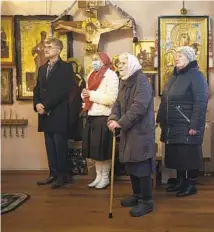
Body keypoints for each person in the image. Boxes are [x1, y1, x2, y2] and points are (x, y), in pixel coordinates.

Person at [156, 46, 209, 197]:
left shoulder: (196, 76)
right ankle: (180, 182)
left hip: (187, 124)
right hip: (173, 124)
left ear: (189, 58)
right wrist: (160, 117)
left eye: (180, 56)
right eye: (176, 56)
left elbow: (201, 103)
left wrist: (194, 125)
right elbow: (165, 99)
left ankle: (190, 184)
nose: (177, 58)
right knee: (177, 155)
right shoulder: (174, 76)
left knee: (189, 156)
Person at [107, 53, 155, 217]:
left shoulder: (142, 81)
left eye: (123, 63)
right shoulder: (124, 81)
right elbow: (118, 103)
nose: (119, 66)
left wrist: (121, 123)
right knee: (131, 163)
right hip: (128, 130)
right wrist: (113, 118)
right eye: (118, 63)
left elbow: (139, 107)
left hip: (140, 131)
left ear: (132, 64)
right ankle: (137, 194)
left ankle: (146, 201)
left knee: (141, 165)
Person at [33, 37, 75, 189]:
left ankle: (62, 176)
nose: (46, 49)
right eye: (45, 46)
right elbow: (37, 88)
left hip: (58, 112)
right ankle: (53, 174)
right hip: (44, 114)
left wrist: (46, 105)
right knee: (49, 145)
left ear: (58, 49)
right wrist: (37, 103)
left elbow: (63, 91)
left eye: (49, 46)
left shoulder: (66, 68)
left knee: (59, 146)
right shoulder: (42, 68)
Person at [81, 52, 119, 189]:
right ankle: (98, 176)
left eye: (96, 59)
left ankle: (105, 177)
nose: (94, 62)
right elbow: (86, 92)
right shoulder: (91, 74)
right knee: (94, 150)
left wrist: (90, 95)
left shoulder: (111, 75)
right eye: (93, 60)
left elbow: (111, 99)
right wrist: (85, 95)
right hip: (91, 114)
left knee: (103, 150)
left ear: (104, 61)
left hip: (104, 116)